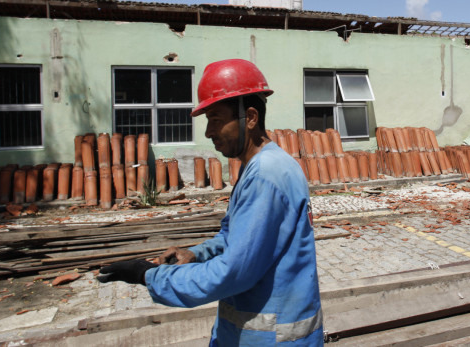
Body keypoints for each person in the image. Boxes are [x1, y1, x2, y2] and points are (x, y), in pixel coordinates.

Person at [98, 59, 323, 346]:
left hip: (270, 339)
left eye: (216, 119)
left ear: (250, 118)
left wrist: (149, 275)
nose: (208, 131)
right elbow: (236, 236)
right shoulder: (260, 165)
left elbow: (233, 271)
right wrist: (197, 253)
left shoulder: (265, 175)